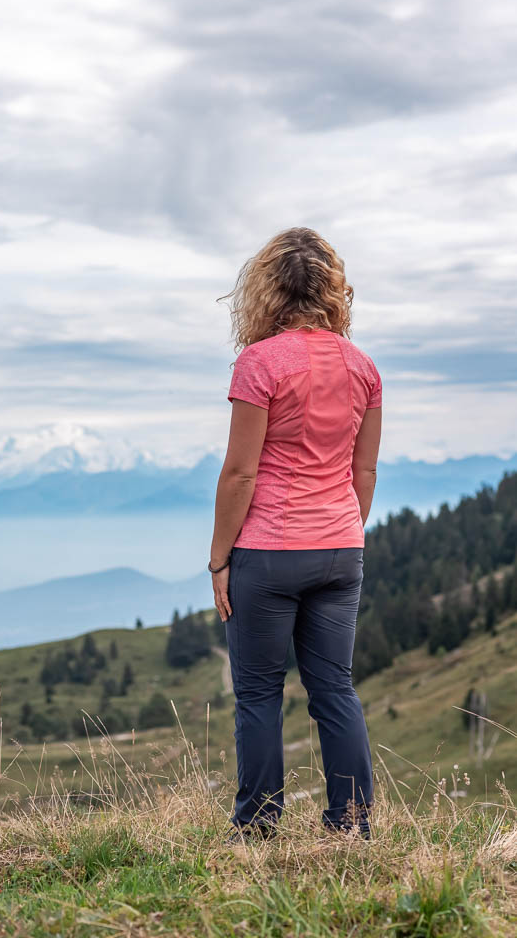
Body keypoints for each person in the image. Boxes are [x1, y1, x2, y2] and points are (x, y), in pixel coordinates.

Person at [209, 226, 381, 842]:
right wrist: (340, 528)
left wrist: (218, 559)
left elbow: (239, 472)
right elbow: (365, 470)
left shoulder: (260, 363)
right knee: (335, 688)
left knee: (258, 694)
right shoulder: (363, 367)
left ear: (265, 291)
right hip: (341, 546)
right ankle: (352, 826)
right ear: (334, 292)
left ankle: (257, 828)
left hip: (268, 551)